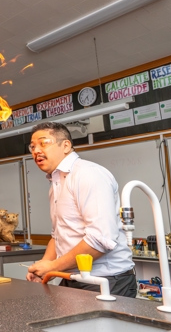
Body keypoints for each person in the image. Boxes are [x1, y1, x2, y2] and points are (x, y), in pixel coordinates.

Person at [26, 122, 136, 297]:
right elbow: (59, 234)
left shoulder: (88, 174)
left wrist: (53, 266)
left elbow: (100, 239)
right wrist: (44, 265)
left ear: (66, 145)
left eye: (43, 143)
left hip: (105, 280)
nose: (36, 151)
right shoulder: (56, 183)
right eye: (32, 146)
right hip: (72, 276)